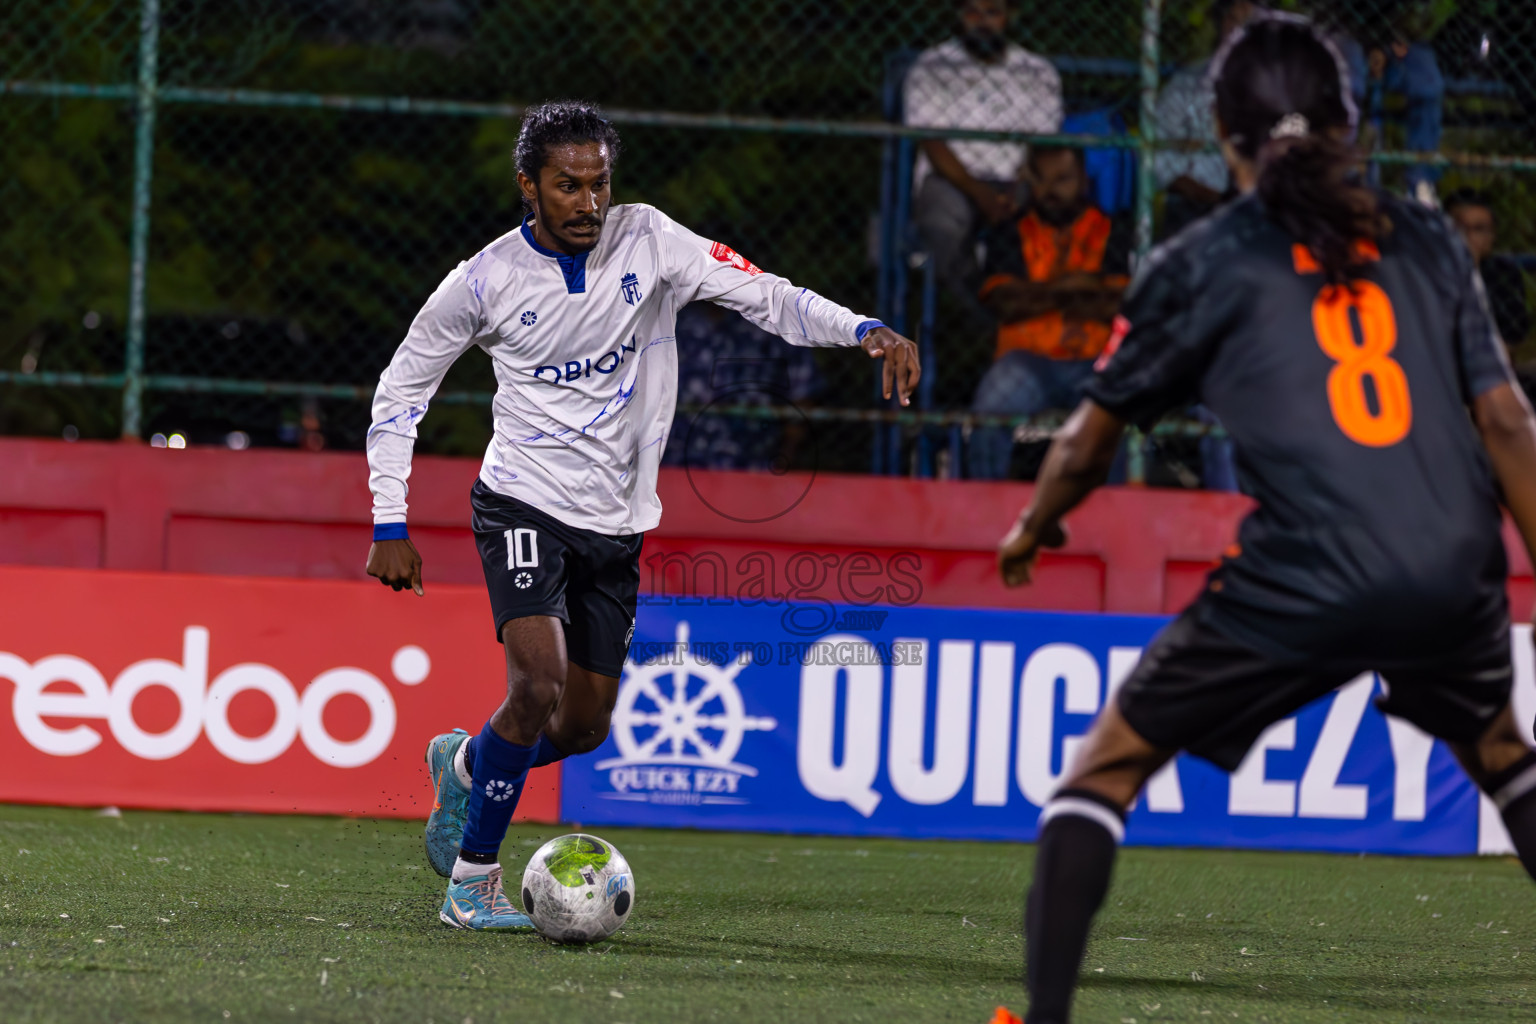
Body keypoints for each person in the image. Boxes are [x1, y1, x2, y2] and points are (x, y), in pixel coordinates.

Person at [992, 16, 1536, 1022]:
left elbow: (1086, 442)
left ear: (1226, 139)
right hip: (1454, 561)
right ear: (1350, 122)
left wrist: (1034, 527)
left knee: (1104, 769)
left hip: (1304, 574)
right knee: (1505, 756)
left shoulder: (1206, 258)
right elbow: (1506, 420)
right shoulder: (1424, 234)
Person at [363, 100, 919, 930]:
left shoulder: (651, 240)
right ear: (529, 188)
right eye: (566, 186)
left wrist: (862, 328)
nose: (587, 202)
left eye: (598, 183)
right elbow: (402, 388)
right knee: (537, 681)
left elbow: (762, 294)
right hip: (521, 500)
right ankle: (472, 886)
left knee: (582, 725)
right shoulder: (481, 280)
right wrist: (389, 521)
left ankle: (471, 761)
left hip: (618, 521)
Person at [967, 146, 1130, 480]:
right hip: (1028, 360)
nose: (1050, 191)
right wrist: (1075, 287)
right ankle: (980, 521)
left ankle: (1113, 522)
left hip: (1096, 360)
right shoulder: (1009, 231)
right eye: (1040, 180)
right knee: (991, 406)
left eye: (1063, 179)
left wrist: (1038, 293)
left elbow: (1119, 308)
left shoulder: (1111, 230)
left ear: (1084, 181)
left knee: (1117, 411)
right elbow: (1006, 306)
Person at [904, 0, 1063, 307]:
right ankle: (980, 318)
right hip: (951, 179)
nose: (982, 22)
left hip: (1018, 179)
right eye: (973, 12)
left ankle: (1027, 316)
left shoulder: (1037, 72)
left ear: (1010, 15)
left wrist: (1015, 189)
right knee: (943, 229)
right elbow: (932, 143)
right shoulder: (933, 66)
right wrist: (981, 194)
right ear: (959, 15)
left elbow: (1041, 147)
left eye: (993, 12)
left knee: (1046, 216)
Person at [663, 303, 822, 473]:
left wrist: (784, 460)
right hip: (673, 466)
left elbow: (803, 397)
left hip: (753, 469)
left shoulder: (775, 325)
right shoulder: (669, 321)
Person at [1151, 0, 1261, 237]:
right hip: (1193, 205)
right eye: (1234, 19)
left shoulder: (1277, 89)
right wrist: (1208, 194)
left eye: (1250, 22)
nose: (1241, 29)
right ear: (1221, 23)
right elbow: (1158, 158)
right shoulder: (1187, 83)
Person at [1446, 188, 1531, 350]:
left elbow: (1512, 339)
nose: (1468, 236)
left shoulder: (1504, 273)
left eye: (1478, 229)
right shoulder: (1430, 271)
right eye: (1459, 228)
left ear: (1492, 235)